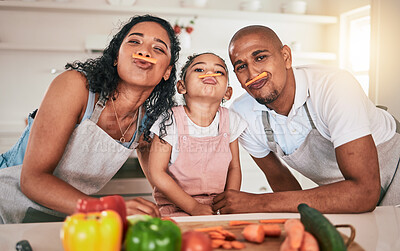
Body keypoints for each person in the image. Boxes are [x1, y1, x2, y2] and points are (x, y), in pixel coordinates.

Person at [0, 14, 181, 223]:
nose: (144, 51)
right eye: (134, 41)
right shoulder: (75, 87)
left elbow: (162, 185)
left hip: (62, 218)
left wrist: (192, 212)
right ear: (116, 57)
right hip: (5, 203)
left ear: (167, 71)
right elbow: (33, 181)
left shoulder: (145, 125)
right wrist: (106, 208)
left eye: (158, 48)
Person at [212, 25, 400, 214]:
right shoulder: (242, 113)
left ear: (286, 56)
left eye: (260, 57)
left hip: (393, 174)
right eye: (241, 66)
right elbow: (280, 179)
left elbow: (364, 193)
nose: (252, 74)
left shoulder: (334, 86)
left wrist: (258, 203)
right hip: (345, 196)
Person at [148, 53, 247, 216]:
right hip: (177, 207)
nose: (209, 73)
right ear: (182, 87)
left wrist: (229, 203)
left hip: (218, 207)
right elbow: (157, 172)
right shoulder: (170, 119)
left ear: (227, 93)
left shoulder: (230, 120)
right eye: (199, 69)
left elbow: (234, 167)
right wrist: (193, 207)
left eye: (219, 72)